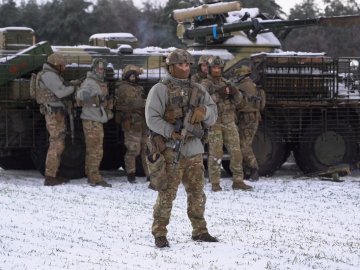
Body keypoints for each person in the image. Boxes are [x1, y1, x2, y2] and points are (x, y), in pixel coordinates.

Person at [145, 48, 218, 248]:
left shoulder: (199, 89)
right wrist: (170, 131)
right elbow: (151, 119)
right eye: (180, 64)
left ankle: (200, 230)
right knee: (167, 193)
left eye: (187, 65)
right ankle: (160, 233)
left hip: (194, 149)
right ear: (171, 66)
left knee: (197, 192)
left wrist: (204, 112)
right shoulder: (160, 89)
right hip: (170, 150)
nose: (184, 68)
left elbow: (214, 111)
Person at [201, 56, 253, 192]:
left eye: (219, 68)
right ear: (210, 69)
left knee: (237, 152)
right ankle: (215, 183)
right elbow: (202, 103)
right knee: (216, 154)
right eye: (215, 68)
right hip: (214, 123)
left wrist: (235, 93)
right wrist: (219, 94)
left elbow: (239, 103)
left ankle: (238, 180)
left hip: (229, 121)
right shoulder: (205, 84)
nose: (217, 70)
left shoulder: (227, 82)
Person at [36, 53, 76, 186]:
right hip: (54, 114)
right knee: (56, 144)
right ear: (56, 65)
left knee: (58, 144)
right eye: (62, 65)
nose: (64, 67)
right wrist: (73, 87)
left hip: (55, 113)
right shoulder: (49, 75)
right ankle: (50, 176)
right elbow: (61, 92)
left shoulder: (49, 74)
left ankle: (53, 174)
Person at [76, 58, 113, 188]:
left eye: (103, 69)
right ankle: (94, 177)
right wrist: (94, 100)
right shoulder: (90, 82)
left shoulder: (99, 82)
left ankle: (91, 175)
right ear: (94, 69)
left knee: (94, 149)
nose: (101, 71)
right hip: (91, 120)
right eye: (98, 68)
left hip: (95, 119)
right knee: (96, 150)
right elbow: (80, 95)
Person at [115, 64, 149, 183]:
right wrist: (147, 102)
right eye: (132, 75)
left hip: (141, 122)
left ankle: (149, 174)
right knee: (133, 149)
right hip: (132, 121)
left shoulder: (137, 88)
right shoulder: (124, 88)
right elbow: (132, 103)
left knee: (146, 149)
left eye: (136, 75)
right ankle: (131, 173)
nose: (134, 77)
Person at [233, 65, 266, 181]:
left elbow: (237, 102)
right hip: (251, 118)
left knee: (244, 145)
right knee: (244, 144)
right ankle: (247, 170)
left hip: (248, 119)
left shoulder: (243, 86)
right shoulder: (252, 85)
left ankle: (253, 169)